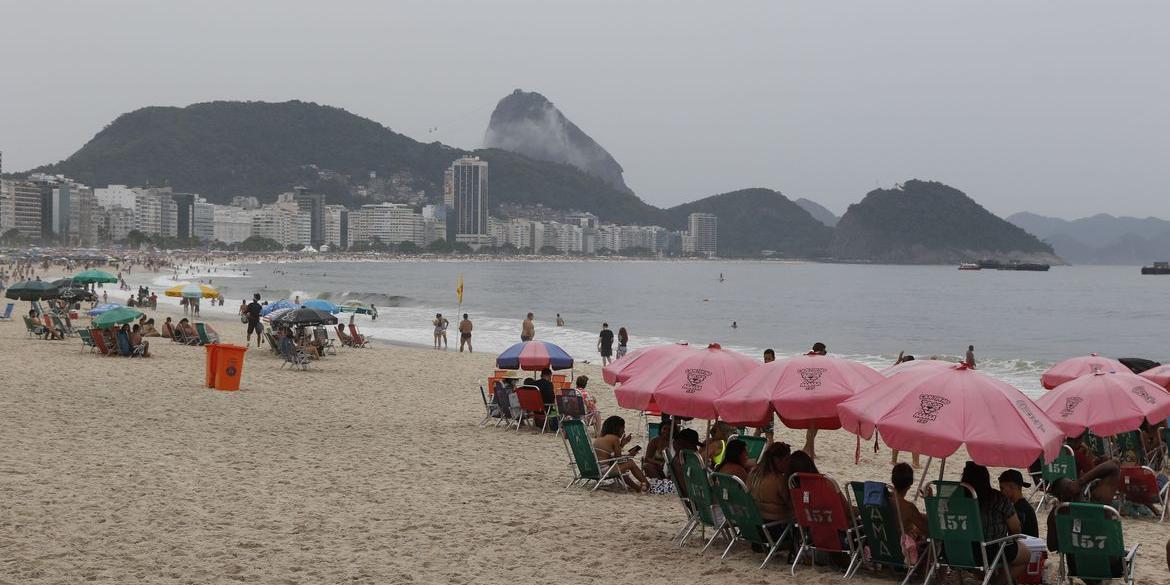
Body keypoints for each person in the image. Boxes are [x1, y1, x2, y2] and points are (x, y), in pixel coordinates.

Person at [960, 462, 1028, 581]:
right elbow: (1016, 529)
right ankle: (997, 583)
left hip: (955, 551)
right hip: (988, 552)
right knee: (1026, 554)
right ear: (986, 478)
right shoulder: (998, 498)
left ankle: (987, 580)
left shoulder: (954, 498)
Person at [593, 416, 650, 492]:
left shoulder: (600, 438)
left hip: (595, 468)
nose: (624, 431)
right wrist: (629, 455)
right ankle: (647, 484)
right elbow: (618, 458)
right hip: (604, 470)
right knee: (630, 463)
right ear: (617, 428)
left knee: (622, 467)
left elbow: (610, 455)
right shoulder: (614, 438)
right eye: (623, 428)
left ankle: (637, 488)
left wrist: (623, 444)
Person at [748, 442, 794, 528]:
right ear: (777, 460)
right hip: (777, 529)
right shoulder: (779, 480)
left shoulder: (753, 474)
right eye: (787, 459)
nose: (789, 463)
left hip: (756, 526)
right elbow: (791, 505)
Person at [803, 342, 829, 458]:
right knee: (812, 426)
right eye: (825, 351)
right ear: (820, 351)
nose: (826, 354)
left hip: (811, 395)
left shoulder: (807, 358)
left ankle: (808, 448)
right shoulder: (816, 361)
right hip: (813, 396)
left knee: (814, 426)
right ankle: (808, 449)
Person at [891, 463, 928, 540]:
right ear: (910, 484)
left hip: (883, 544)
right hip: (902, 548)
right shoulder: (908, 507)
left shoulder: (883, 498)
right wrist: (929, 501)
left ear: (892, 480)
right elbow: (929, 531)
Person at [998, 470, 1038, 537]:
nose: (1001, 492)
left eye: (1002, 488)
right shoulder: (1023, 506)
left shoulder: (1019, 509)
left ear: (1012, 487)